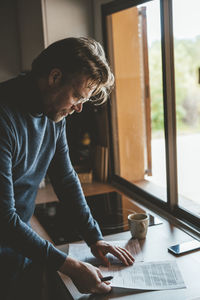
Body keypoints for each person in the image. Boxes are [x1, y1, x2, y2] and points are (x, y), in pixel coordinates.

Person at [0, 37, 134, 299]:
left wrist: (94, 237)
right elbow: (4, 219)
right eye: (76, 96)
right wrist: (70, 265)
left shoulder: (52, 112)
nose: (79, 107)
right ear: (55, 77)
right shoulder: (4, 117)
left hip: (18, 248)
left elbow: (65, 177)